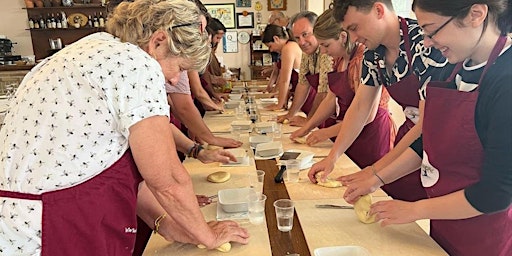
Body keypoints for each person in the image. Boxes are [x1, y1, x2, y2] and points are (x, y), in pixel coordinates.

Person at [0, 1, 249, 254]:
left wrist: (169, 225)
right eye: (180, 67)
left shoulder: (94, 48)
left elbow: (112, 166)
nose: (175, 79)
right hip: (49, 229)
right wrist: (207, 235)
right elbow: (168, 179)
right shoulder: (137, 65)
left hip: (23, 224)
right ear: (158, 41)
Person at [344, 1, 512, 255]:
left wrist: (415, 210)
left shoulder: (505, 80)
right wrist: (377, 178)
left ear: (476, 15)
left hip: (486, 235)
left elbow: (495, 194)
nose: (428, 42)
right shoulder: (450, 69)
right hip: (445, 224)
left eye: (431, 30)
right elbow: (428, 141)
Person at [308, 0, 448, 202]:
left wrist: (375, 171)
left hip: (434, 142)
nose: (354, 38)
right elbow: (360, 106)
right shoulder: (374, 53)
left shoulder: (424, 43)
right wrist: (332, 157)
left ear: (378, 10)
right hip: (408, 138)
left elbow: (427, 123)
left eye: (355, 28)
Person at [290, 8, 395, 168]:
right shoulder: (339, 60)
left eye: (326, 45)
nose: (323, 52)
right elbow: (330, 99)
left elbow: (366, 115)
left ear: (343, 37)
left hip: (371, 134)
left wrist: (327, 132)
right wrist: (308, 127)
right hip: (347, 129)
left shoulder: (362, 60)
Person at [277, 11, 335, 127]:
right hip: (320, 111)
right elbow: (302, 84)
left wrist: (309, 121)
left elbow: (323, 91)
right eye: (297, 38)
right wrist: (290, 114)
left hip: (332, 114)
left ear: (317, 30)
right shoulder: (307, 52)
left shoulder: (327, 52)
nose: (301, 42)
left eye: (305, 34)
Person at [261, 24, 302, 111]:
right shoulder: (290, 45)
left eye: (270, 46)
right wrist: (283, 101)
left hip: (304, 96)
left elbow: (285, 80)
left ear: (276, 38)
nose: (271, 50)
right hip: (299, 95)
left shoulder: (288, 48)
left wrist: (279, 105)